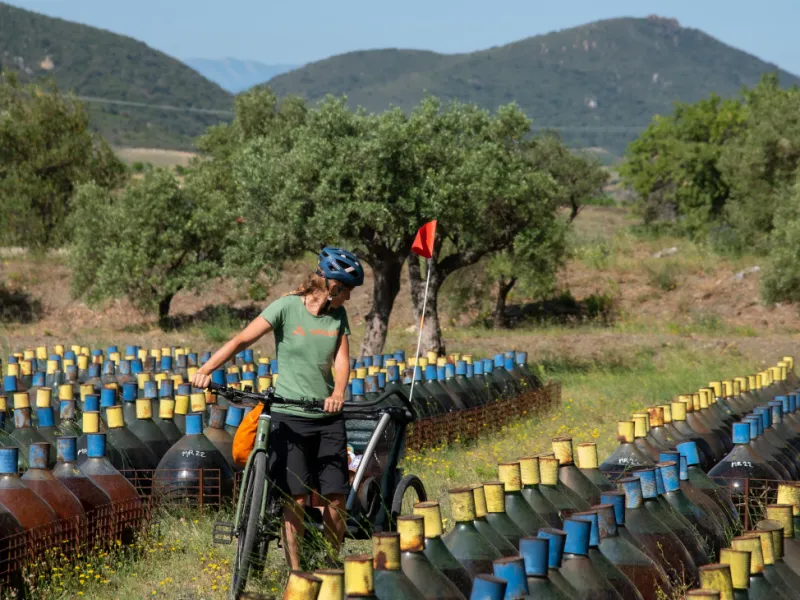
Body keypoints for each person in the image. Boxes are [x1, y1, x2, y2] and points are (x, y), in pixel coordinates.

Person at [191, 247, 364, 570]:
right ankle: (297, 572)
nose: (349, 299)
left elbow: (342, 359)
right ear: (332, 286)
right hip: (289, 416)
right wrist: (206, 369)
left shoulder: (338, 316)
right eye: (348, 291)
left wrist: (338, 392)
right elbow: (242, 340)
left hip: (327, 418)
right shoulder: (286, 307)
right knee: (295, 498)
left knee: (336, 498)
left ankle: (329, 564)